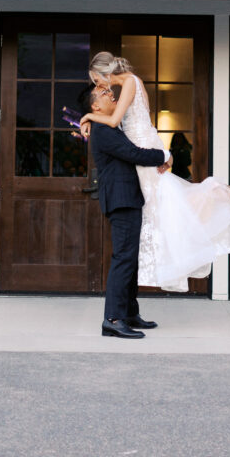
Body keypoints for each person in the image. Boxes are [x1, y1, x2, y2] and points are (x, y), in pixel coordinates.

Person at [81, 52, 230, 292]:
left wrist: (88, 116)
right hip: (143, 148)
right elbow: (115, 120)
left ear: (105, 74)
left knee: (168, 202)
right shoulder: (128, 85)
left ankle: (216, 195)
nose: (99, 85)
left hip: (143, 150)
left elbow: (112, 122)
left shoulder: (130, 81)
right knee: (163, 204)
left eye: (97, 80)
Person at [78, 82, 172, 340]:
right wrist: (165, 154)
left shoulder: (109, 125)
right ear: (96, 106)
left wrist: (85, 117)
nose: (111, 94)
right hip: (121, 200)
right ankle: (113, 319)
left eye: (110, 90)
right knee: (123, 258)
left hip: (128, 198)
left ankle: (130, 313)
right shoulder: (103, 131)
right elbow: (134, 154)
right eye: (104, 93)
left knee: (130, 257)